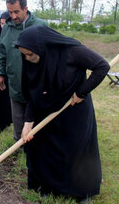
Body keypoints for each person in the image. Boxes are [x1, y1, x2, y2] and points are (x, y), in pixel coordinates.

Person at [17, 26, 110, 202]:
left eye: (29, 54)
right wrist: (28, 121)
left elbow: (102, 66)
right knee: (46, 151)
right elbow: (32, 93)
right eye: (24, 55)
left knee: (76, 151)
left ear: (41, 47)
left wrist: (81, 92)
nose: (27, 59)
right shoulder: (30, 60)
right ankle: (48, 186)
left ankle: (82, 192)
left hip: (74, 111)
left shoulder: (71, 52)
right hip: (47, 112)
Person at [0, 0, 47, 142]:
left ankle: (38, 145)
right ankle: (18, 144)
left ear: (26, 9)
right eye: (10, 12)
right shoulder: (8, 28)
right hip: (15, 81)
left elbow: (51, 54)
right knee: (18, 116)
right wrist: (1, 73)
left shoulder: (40, 26)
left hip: (36, 83)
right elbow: (2, 52)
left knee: (36, 116)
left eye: (16, 12)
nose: (13, 16)